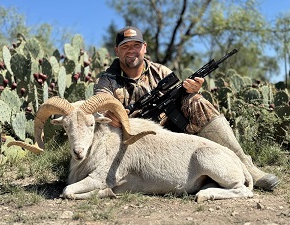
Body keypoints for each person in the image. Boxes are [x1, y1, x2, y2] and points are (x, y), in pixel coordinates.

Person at [94, 26, 279, 191]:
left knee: (195, 100)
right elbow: (100, 103)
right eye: (125, 47)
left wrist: (192, 89)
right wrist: (112, 114)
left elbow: (179, 93)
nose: (131, 51)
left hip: (170, 136)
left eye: (135, 45)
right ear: (117, 51)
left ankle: (247, 166)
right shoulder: (107, 80)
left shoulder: (160, 72)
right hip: (134, 142)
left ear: (144, 47)